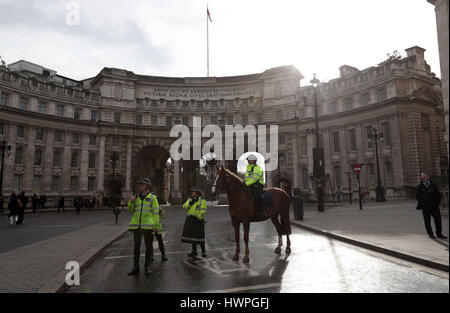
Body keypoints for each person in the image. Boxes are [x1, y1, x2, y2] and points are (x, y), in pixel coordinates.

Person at [127, 178, 160, 276]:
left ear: (147, 186)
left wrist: (155, 225)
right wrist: (131, 202)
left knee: (148, 248)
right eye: (140, 185)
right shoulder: (136, 197)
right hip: (137, 226)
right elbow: (130, 210)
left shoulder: (153, 198)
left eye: (142, 185)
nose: (140, 186)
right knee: (136, 247)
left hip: (148, 226)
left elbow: (155, 212)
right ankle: (136, 267)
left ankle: (147, 267)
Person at [416, 172, 447, 239]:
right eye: (422, 176)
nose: (424, 178)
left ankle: (439, 234)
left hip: (434, 205)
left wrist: (437, 203)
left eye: (425, 176)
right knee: (427, 221)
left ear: (428, 177)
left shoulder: (434, 185)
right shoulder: (419, 187)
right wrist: (423, 204)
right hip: (425, 206)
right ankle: (430, 234)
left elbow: (438, 195)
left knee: (438, 220)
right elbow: (418, 197)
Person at [181, 186, 207, 258]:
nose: (192, 193)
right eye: (192, 192)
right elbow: (184, 207)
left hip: (198, 220)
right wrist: (190, 202)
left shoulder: (202, 200)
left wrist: (198, 217)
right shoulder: (190, 199)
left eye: (194, 192)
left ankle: (203, 251)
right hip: (190, 219)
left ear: (197, 192)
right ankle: (194, 251)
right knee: (192, 237)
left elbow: (203, 210)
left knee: (200, 236)